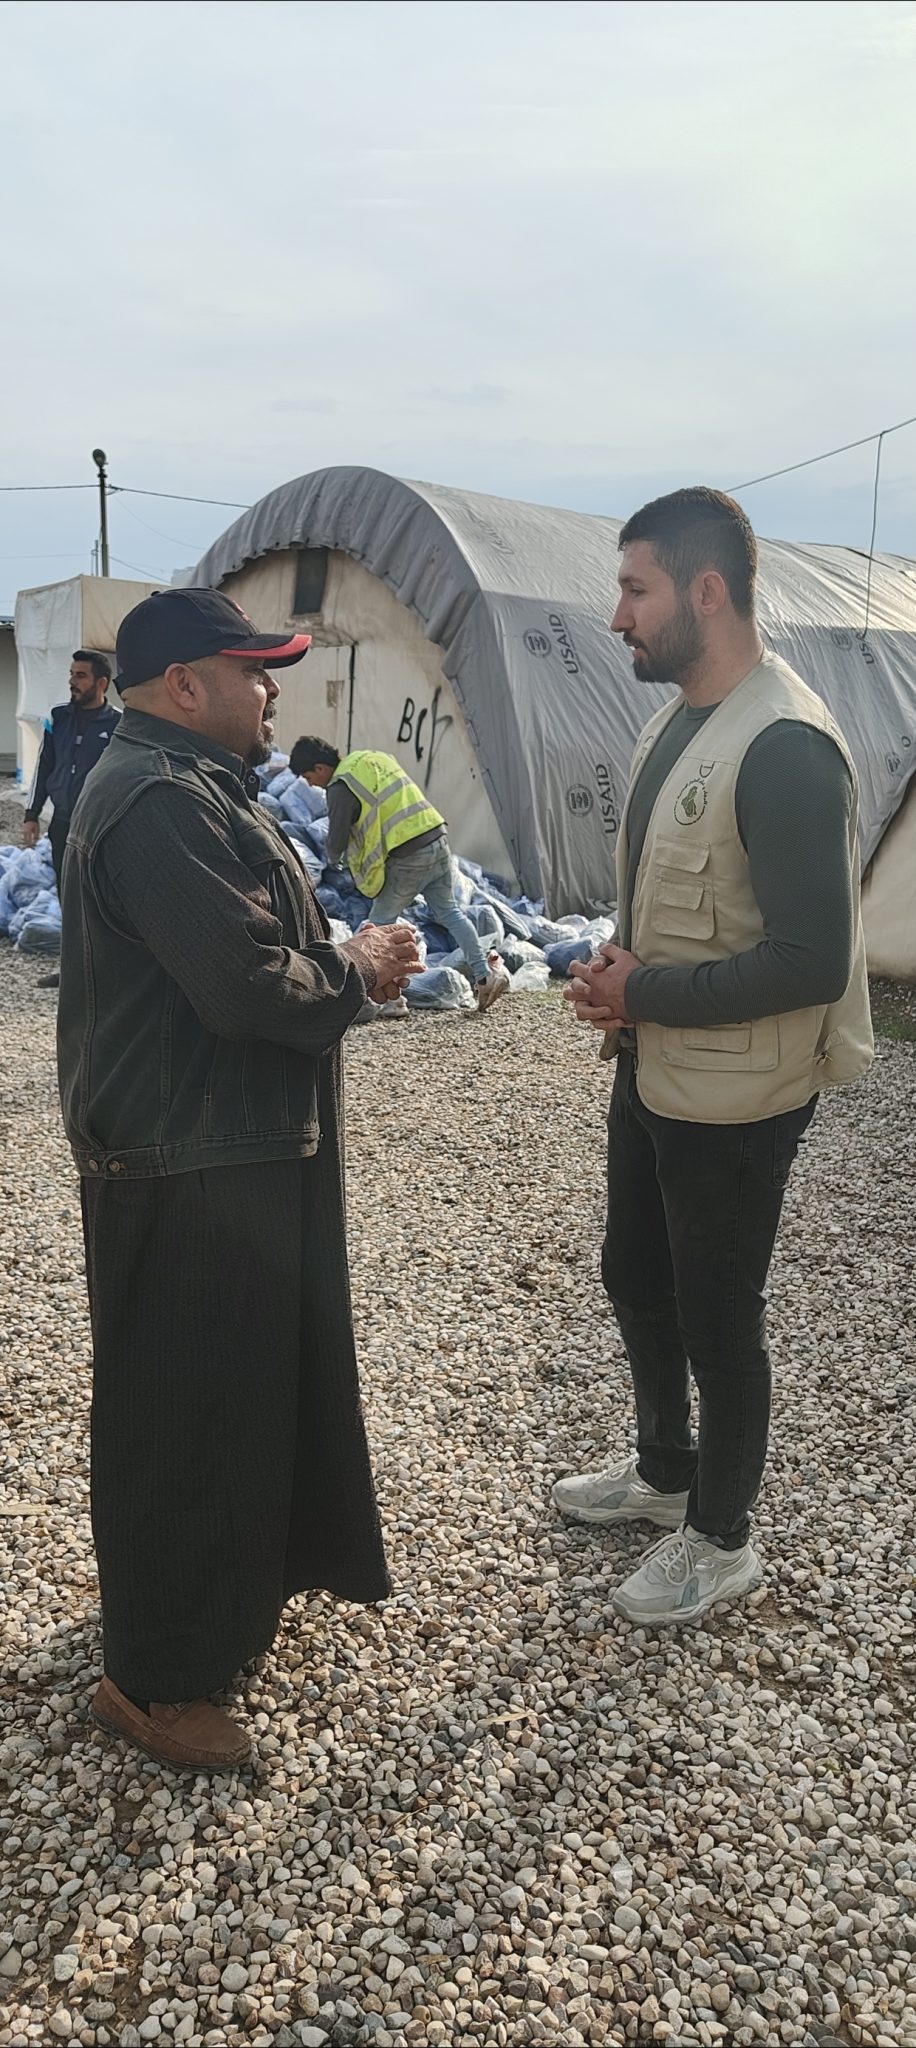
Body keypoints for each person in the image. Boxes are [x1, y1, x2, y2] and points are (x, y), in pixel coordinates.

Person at [57, 587, 422, 1770]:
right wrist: (354, 963)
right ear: (184, 685)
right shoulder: (157, 799)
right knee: (182, 1413)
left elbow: (250, 950)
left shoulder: (193, 781)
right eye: (254, 668)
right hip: (184, 1166)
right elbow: (243, 982)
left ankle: (216, 1608)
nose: (272, 690)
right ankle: (154, 1681)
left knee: (235, 1396)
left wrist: (343, 960)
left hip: (220, 1147)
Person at [554, 487, 873, 1626]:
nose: (616, 616)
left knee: (718, 1319)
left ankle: (722, 1536)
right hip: (654, 1068)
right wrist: (620, 973)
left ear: (705, 592)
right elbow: (679, 898)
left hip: (738, 1096)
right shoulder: (679, 722)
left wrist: (642, 991)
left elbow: (813, 959)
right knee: (634, 1275)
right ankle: (663, 1470)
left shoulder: (785, 746)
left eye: (633, 589)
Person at [290, 737, 509, 1011]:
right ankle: (485, 976)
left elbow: (336, 839)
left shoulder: (340, 786)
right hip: (436, 838)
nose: (311, 785)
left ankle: (390, 1000)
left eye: (309, 778)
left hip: (408, 854)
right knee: (450, 912)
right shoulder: (371, 758)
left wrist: (332, 862)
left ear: (320, 768)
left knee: (378, 927)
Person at [23, 650, 121, 988]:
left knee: (100, 900)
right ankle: (73, 972)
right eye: (71, 674)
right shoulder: (58, 718)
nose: (72, 681)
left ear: (101, 683)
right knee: (68, 897)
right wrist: (32, 814)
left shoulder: (118, 725)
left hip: (99, 827)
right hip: (63, 824)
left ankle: (106, 974)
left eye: (80, 675)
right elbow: (44, 766)